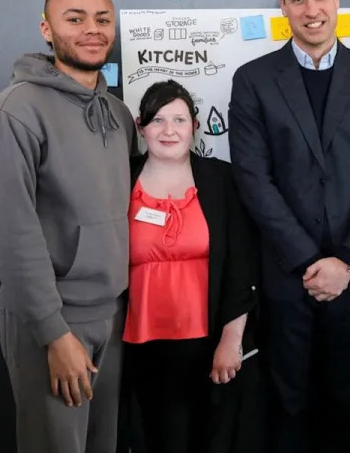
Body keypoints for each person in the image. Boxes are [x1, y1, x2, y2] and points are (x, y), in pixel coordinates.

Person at [227, 0, 350, 453]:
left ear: (337, 0)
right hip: (287, 281)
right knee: (287, 410)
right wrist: (310, 262)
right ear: (282, 6)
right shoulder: (253, 80)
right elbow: (254, 180)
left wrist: (346, 262)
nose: (311, 9)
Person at [0, 0, 136, 453]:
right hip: (52, 322)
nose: (93, 29)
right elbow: (10, 236)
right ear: (47, 29)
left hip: (111, 316)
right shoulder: (15, 113)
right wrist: (53, 334)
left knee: (101, 445)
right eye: (76, 18)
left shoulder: (118, 113)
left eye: (103, 19)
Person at [123, 79, 262, 453]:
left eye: (180, 120)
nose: (169, 130)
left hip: (210, 341)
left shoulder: (222, 180)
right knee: (155, 438)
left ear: (194, 127)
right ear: (141, 127)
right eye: (158, 120)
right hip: (140, 345)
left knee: (212, 438)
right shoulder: (120, 178)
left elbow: (241, 265)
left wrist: (231, 341)